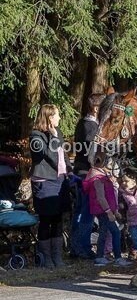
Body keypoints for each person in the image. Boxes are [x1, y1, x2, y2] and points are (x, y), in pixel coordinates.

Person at [29, 104, 70, 268]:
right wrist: (53, 137)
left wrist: (70, 170)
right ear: (49, 117)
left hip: (60, 180)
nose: (59, 118)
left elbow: (62, 154)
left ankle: (57, 257)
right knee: (46, 220)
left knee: (58, 220)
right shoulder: (35, 136)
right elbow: (49, 156)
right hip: (45, 181)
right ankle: (46, 258)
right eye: (57, 115)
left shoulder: (58, 132)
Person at [70, 93, 104, 259]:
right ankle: (82, 247)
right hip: (86, 174)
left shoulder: (83, 124)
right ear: (96, 108)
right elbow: (92, 153)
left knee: (80, 211)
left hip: (80, 171)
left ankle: (75, 246)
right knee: (86, 212)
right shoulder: (90, 126)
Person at [83, 161, 130, 266]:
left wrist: (115, 210)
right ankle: (117, 257)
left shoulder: (103, 177)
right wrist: (109, 212)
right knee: (115, 232)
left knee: (103, 232)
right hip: (104, 211)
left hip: (106, 210)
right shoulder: (97, 179)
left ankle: (100, 257)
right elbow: (101, 197)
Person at [118, 175, 137, 260]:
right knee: (135, 239)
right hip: (132, 221)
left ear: (134, 182)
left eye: (127, 181)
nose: (124, 183)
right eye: (123, 181)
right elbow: (122, 207)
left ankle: (136, 253)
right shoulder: (123, 194)